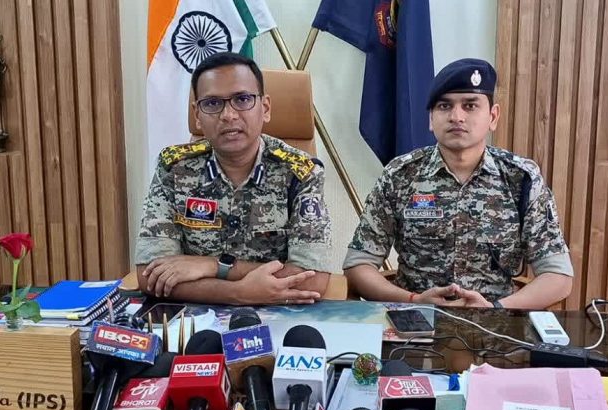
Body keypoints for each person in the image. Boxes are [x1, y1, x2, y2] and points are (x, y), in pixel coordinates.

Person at [343, 58, 573, 309]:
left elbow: (558, 276)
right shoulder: (400, 176)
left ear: (493, 116)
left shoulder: (521, 179)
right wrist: (414, 300)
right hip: (415, 320)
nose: (456, 117)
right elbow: (358, 264)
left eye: (470, 105)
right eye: (444, 106)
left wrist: (495, 309)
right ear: (431, 119)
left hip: (495, 324)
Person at [135, 52, 332, 305]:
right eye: (212, 103)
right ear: (197, 115)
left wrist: (213, 266)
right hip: (195, 318)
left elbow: (312, 279)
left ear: (265, 108)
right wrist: (239, 293)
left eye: (242, 99)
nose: (228, 115)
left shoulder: (301, 173)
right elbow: (150, 274)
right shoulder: (174, 168)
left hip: (280, 316)